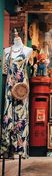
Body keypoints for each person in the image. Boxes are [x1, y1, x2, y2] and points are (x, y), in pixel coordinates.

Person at [0, 29, 33, 158]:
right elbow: (4, 71)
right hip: (9, 85)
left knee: (21, 116)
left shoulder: (28, 50)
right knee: (8, 114)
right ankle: (8, 147)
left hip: (22, 87)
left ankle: (20, 149)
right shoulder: (6, 51)